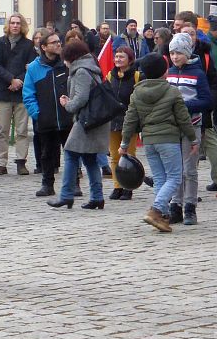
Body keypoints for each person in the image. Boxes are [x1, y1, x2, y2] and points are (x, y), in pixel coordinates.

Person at [120, 53, 196, 232]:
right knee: (175, 177)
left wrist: (124, 143)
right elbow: (183, 118)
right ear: (165, 71)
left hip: (148, 141)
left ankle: (162, 216)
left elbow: (130, 119)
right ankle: (155, 210)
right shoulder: (172, 91)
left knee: (160, 179)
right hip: (168, 139)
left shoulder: (137, 92)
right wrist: (192, 138)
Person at [49, 39, 108, 211]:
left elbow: (81, 99)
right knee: (89, 158)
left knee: (70, 153)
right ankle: (97, 197)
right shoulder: (90, 67)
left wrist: (67, 104)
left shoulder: (81, 71)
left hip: (86, 120)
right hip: (93, 119)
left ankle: (66, 195)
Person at [164, 32, 213, 225]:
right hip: (172, 127)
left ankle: (190, 207)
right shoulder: (169, 72)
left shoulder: (198, 73)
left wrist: (184, 106)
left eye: (178, 53)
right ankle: (175, 206)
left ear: (187, 53)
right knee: (175, 169)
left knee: (189, 169)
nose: (175, 57)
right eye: (172, 53)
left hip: (192, 126)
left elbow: (207, 101)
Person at [22, 29, 70, 198]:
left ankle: (74, 184)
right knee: (47, 153)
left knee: (71, 152)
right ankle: (47, 184)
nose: (58, 44)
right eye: (54, 42)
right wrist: (37, 114)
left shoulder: (67, 64)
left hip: (67, 117)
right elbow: (28, 94)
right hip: (46, 118)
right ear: (43, 47)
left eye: (59, 41)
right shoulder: (34, 67)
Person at [0, 13, 38, 176]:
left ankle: (21, 161)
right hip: (3, 91)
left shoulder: (28, 45)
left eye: (18, 23)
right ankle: (0, 163)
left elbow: (31, 66)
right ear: (8, 25)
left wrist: (19, 81)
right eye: (12, 23)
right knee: (2, 130)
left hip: (22, 93)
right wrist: (11, 79)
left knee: (22, 130)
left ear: (22, 25)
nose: (15, 26)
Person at [106, 46, 138, 200]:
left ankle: (128, 186)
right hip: (113, 120)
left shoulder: (137, 76)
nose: (118, 59)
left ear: (129, 60)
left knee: (129, 155)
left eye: (121, 57)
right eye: (116, 56)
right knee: (114, 156)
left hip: (129, 120)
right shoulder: (110, 76)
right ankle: (117, 186)